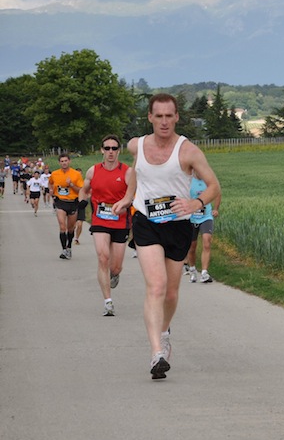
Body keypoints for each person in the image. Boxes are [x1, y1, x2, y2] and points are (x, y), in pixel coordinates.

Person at [128, 93, 220, 380]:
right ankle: (156, 352)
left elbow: (214, 185)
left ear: (177, 117)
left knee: (170, 291)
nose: (164, 121)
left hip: (178, 225)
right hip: (146, 222)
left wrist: (196, 204)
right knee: (155, 286)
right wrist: (128, 198)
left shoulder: (188, 151)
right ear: (150, 118)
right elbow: (135, 173)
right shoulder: (136, 146)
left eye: (170, 116)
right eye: (159, 116)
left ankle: (164, 331)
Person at [78, 135, 136, 317]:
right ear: (102, 150)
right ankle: (108, 302)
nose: (110, 152)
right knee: (103, 257)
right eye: (107, 148)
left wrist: (125, 206)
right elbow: (84, 190)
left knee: (116, 266)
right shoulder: (92, 171)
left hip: (121, 221)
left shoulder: (127, 173)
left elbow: (133, 195)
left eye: (114, 148)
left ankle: (115, 274)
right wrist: (81, 203)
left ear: (119, 151)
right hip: (100, 220)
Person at [184, 175, 221, 284]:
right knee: (192, 246)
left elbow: (218, 193)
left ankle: (204, 272)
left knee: (207, 241)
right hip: (191, 217)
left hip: (206, 216)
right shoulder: (188, 181)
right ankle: (192, 269)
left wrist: (215, 209)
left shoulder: (208, 180)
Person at [49, 153, 84, 260]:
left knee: (70, 228)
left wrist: (72, 185)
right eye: (62, 161)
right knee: (62, 226)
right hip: (60, 202)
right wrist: (51, 190)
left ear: (69, 161)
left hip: (73, 202)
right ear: (59, 163)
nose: (64, 163)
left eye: (66, 161)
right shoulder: (54, 174)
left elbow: (81, 190)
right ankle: (64, 249)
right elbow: (50, 183)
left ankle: (69, 247)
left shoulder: (76, 174)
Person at [74, 168, 88, 244]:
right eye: (77, 173)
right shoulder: (72, 183)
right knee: (72, 225)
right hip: (73, 204)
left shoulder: (84, 183)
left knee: (79, 224)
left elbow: (89, 192)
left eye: (80, 174)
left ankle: (76, 238)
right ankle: (70, 236)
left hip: (81, 204)